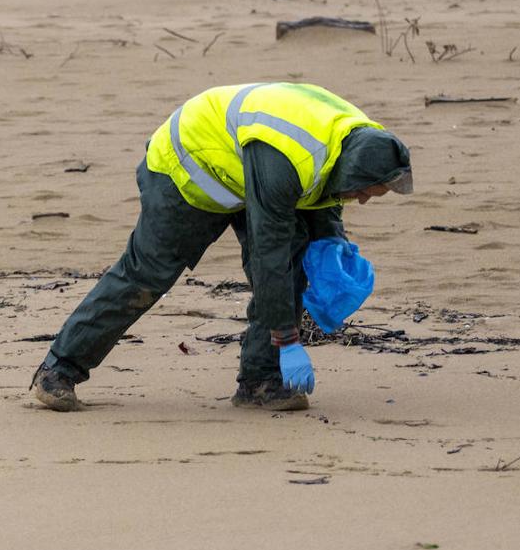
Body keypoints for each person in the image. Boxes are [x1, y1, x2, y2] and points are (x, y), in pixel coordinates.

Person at [31, 82, 413, 411]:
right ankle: (57, 370)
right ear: (354, 173)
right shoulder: (289, 157)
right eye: (364, 191)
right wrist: (289, 340)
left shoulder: (360, 141)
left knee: (295, 262)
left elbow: (325, 189)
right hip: (187, 167)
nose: (362, 200)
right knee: (146, 275)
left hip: (248, 171)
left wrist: (331, 243)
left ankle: (259, 383)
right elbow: (269, 252)